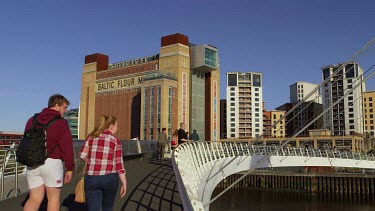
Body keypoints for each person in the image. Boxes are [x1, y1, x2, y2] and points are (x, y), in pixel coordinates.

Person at [24, 94, 74, 211]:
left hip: (33, 162)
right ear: (57, 105)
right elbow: (67, 147)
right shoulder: (61, 123)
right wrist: (70, 168)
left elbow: (26, 140)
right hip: (52, 163)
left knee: (34, 198)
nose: (65, 111)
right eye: (64, 108)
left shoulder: (32, 120)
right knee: (53, 198)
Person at [80, 115, 127, 211]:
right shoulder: (115, 141)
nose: (117, 128)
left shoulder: (90, 138)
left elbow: (82, 155)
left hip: (91, 178)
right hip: (109, 178)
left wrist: (92, 162)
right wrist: (124, 182)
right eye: (117, 125)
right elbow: (119, 164)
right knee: (107, 207)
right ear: (111, 126)